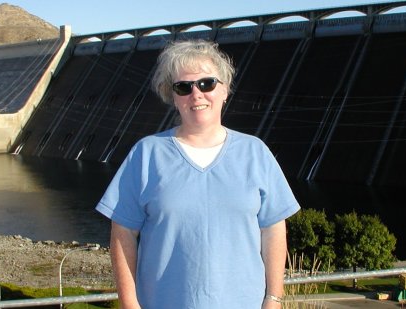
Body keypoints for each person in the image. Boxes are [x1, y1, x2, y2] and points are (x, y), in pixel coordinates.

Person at [96, 40, 300, 309]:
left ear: (225, 90)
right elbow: (122, 233)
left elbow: (273, 230)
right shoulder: (147, 154)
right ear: (172, 97)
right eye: (183, 87)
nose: (196, 94)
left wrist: (273, 299)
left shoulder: (255, 153)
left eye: (207, 83)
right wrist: (130, 303)